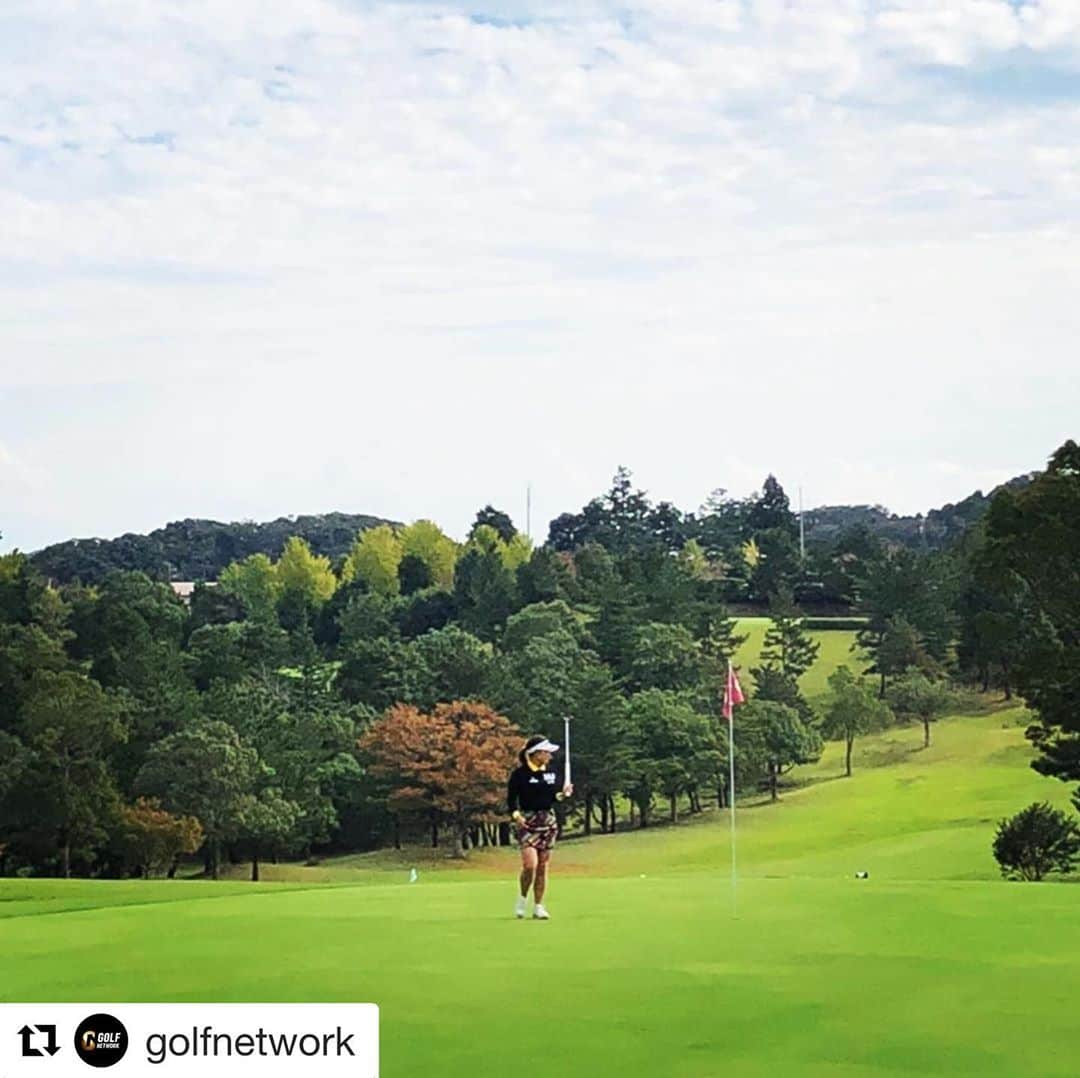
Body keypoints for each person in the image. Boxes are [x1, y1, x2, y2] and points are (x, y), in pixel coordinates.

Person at [507, 735, 573, 920]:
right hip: (527, 821)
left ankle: (538, 906)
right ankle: (522, 899)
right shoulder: (519, 775)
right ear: (535, 754)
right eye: (546, 752)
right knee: (530, 865)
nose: (549, 756)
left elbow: (552, 797)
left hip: (547, 822)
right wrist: (516, 816)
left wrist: (563, 794)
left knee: (542, 866)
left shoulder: (551, 773)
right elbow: (511, 801)